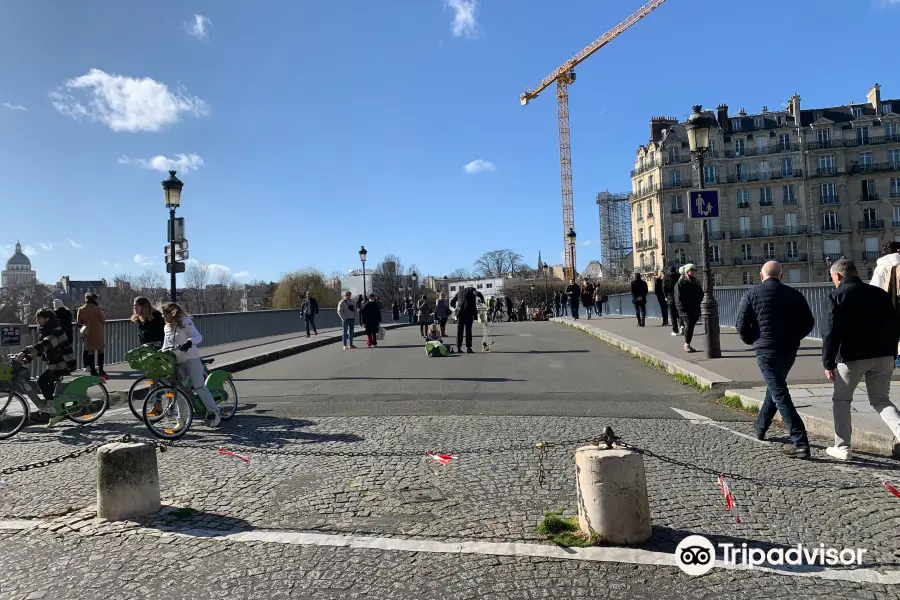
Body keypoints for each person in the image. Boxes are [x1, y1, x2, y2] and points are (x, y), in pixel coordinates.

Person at [822, 259, 900, 460]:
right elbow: (895, 325)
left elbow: (831, 333)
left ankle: (843, 447)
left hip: (852, 357)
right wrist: (891, 352)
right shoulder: (880, 294)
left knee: (841, 400)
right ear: (855, 273)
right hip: (884, 355)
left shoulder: (836, 295)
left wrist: (828, 362)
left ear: (837, 276)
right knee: (881, 400)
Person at [735, 261, 814, 459]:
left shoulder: (752, 294)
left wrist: (752, 340)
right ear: (781, 275)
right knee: (775, 387)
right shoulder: (794, 294)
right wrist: (794, 337)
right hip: (788, 349)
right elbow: (808, 322)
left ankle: (800, 441)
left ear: (761, 276)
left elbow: (741, 324)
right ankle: (760, 427)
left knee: (779, 391)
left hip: (766, 348)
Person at [160, 302, 221, 427]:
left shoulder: (185, 321)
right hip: (177, 362)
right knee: (180, 390)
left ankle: (215, 412)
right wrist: (161, 353)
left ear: (170, 314)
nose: (162, 317)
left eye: (164, 314)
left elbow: (198, 337)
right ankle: (181, 420)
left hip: (191, 359)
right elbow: (165, 345)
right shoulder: (166, 327)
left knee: (199, 386)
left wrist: (189, 342)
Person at [15, 308, 78, 427]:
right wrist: (26, 359)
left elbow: (46, 344)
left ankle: (52, 407)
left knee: (42, 380)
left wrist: (24, 352)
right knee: (49, 384)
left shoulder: (56, 331)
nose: (37, 321)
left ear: (47, 318)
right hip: (55, 363)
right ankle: (57, 412)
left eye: (39, 318)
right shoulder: (46, 330)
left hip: (63, 363)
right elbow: (41, 351)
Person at [76, 292, 106, 378]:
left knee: (90, 351)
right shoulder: (97, 308)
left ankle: (93, 371)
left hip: (87, 332)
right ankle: (101, 370)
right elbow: (103, 320)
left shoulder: (81, 309)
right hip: (97, 331)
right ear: (94, 299)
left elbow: (78, 322)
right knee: (100, 350)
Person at [674, 264, 703, 352]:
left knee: (691, 326)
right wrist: (681, 309)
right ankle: (686, 345)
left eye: (694, 270)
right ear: (687, 272)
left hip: (695, 307)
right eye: (692, 270)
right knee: (690, 324)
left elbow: (701, 294)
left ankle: (688, 344)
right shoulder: (680, 283)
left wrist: (700, 303)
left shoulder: (696, 282)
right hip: (685, 309)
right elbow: (678, 298)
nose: (694, 272)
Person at [451, 285, 485, 354]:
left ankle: (459, 348)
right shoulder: (472, 290)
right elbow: (478, 293)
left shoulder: (459, 292)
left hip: (460, 313)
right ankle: (469, 348)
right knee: (468, 331)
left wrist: (454, 306)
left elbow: (452, 302)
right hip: (468, 313)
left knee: (460, 331)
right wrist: (482, 299)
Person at [663, 265, 682, 337]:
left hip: (670, 297)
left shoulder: (666, 278)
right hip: (679, 297)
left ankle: (675, 330)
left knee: (672, 315)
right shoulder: (678, 276)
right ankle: (682, 326)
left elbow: (664, 288)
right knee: (679, 313)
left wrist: (665, 296)